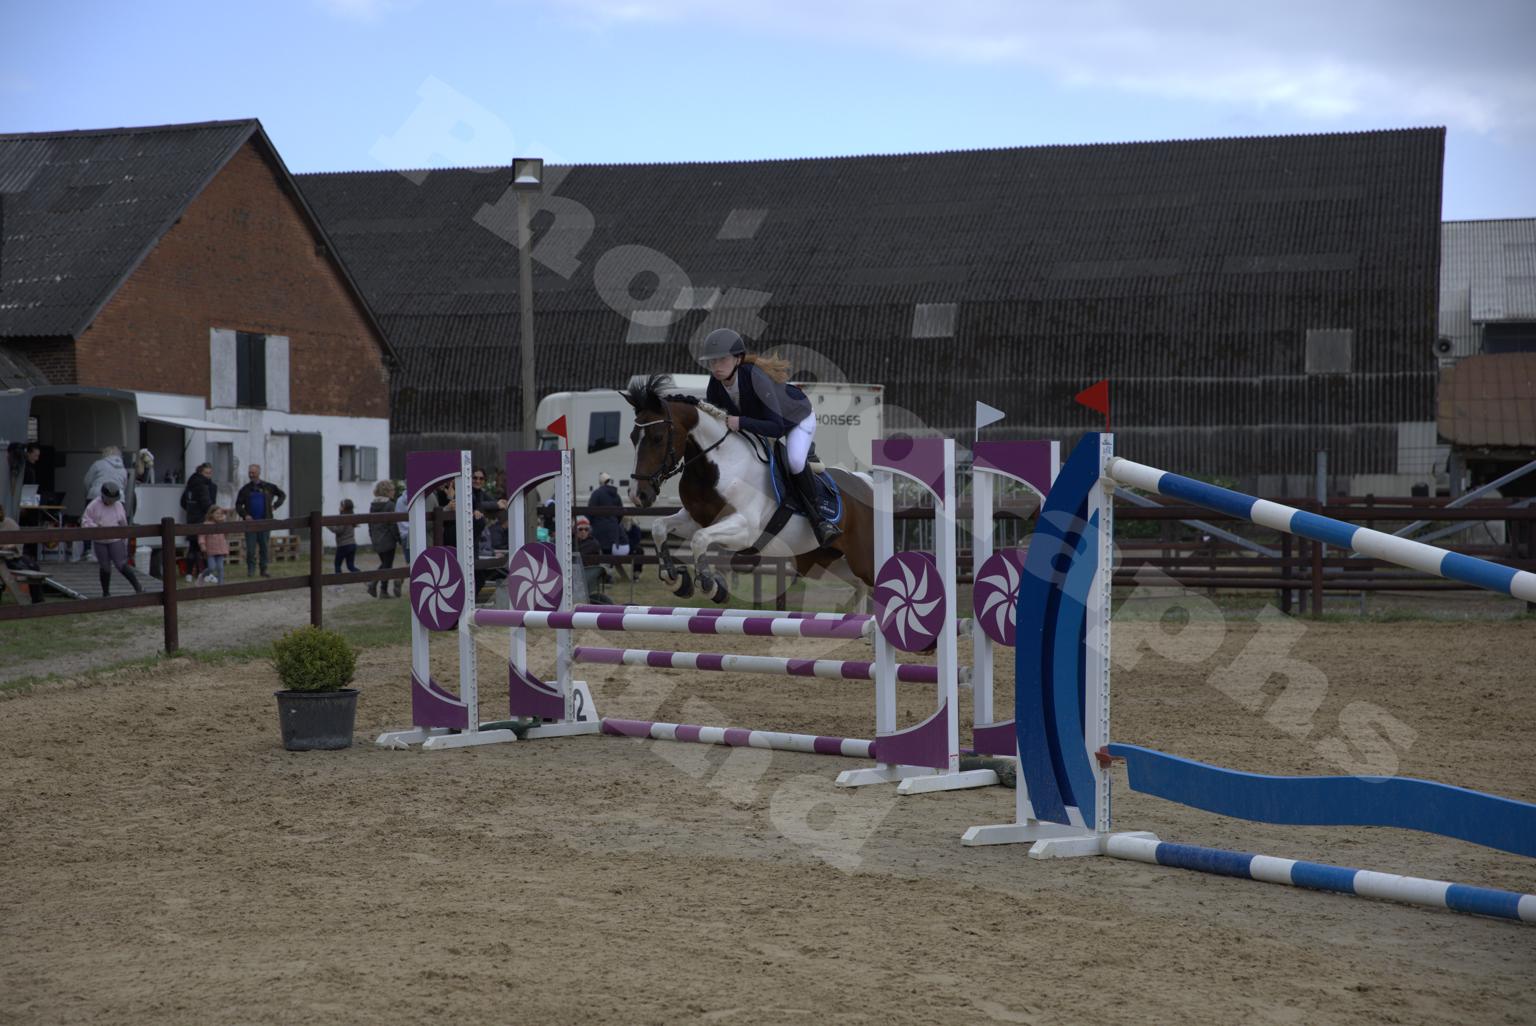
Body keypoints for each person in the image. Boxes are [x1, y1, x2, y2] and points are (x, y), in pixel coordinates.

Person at [696, 327, 840, 545]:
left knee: (794, 461)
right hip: (762, 424)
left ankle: (820, 520)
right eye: (712, 361)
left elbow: (776, 427)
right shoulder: (715, 385)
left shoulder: (755, 377)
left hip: (796, 419)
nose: (716, 367)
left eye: (722, 360)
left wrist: (741, 422)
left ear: (738, 359)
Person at [81, 481, 142, 596]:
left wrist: (124, 537)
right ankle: (106, 593)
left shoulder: (118, 505)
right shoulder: (94, 505)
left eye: (113, 500)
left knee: (121, 564)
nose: (111, 502)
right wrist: (95, 527)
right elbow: (85, 521)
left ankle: (138, 587)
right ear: (103, 496)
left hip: (115, 539)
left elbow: (123, 522)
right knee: (105, 567)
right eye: (109, 499)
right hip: (99, 540)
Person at [235, 464, 286, 578]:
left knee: (264, 548)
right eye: (249, 472)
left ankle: (263, 570)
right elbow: (238, 505)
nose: (251, 475)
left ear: (259, 473)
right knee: (250, 549)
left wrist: (275, 506)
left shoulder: (268, 487)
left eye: (253, 472)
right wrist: (245, 515)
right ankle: (251, 570)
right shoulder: (245, 489)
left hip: (265, 522)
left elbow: (282, 495)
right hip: (250, 524)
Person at [0, 501, 46, 603]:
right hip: (3, 559)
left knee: (34, 567)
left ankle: (36, 600)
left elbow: (17, 543)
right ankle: (25, 601)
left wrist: (4, 546)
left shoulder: (10, 523)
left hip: (12, 557)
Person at [180, 462, 217, 581]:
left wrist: (192, 511)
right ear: (201, 473)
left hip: (191, 520)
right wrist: (214, 514)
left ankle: (189, 574)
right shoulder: (203, 485)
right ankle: (206, 574)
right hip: (202, 520)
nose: (209, 475)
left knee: (193, 547)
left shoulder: (190, 485)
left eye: (210, 473)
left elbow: (183, 502)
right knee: (204, 547)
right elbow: (207, 504)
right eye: (206, 473)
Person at [368, 480, 399, 598]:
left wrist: (372, 537)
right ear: (387, 491)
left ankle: (378, 587)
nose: (394, 492)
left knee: (384, 564)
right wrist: (398, 538)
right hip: (388, 540)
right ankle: (380, 589)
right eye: (392, 490)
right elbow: (393, 525)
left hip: (377, 539)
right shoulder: (390, 505)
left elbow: (370, 524)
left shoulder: (373, 505)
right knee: (387, 566)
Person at [588, 472, 625, 554]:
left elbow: (590, 511)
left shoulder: (596, 493)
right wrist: (615, 522)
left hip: (598, 529)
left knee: (599, 555)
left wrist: (589, 524)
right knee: (610, 555)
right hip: (613, 530)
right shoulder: (616, 495)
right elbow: (621, 512)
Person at [200, 507, 231, 585]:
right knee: (211, 567)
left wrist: (224, 522)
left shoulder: (222, 524)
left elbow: (226, 534)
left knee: (220, 568)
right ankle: (202, 576)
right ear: (211, 514)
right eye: (217, 513)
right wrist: (202, 545)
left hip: (220, 550)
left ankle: (221, 585)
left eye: (220, 513)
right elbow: (201, 536)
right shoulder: (206, 524)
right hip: (210, 551)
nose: (219, 515)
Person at [332, 499, 360, 577]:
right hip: (352, 544)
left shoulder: (343, 517)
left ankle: (339, 582)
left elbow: (339, 530)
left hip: (343, 545)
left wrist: (328, 525)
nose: (339, 507)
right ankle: (364, 577)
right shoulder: (352, 516)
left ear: (343, 507)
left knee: (337, 564)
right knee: (350, 566)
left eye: (340, 506)